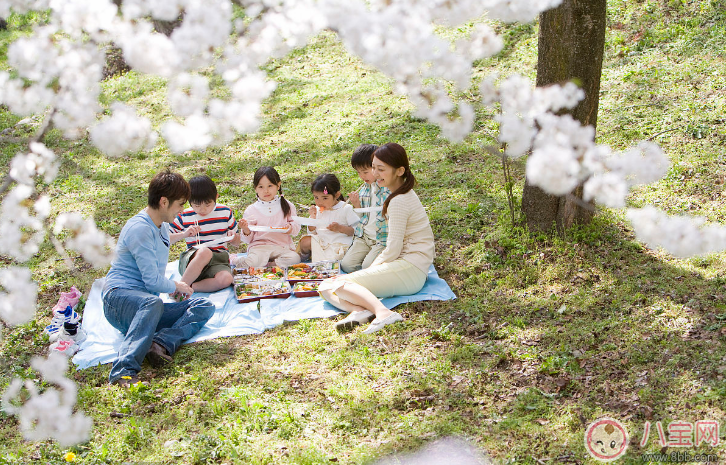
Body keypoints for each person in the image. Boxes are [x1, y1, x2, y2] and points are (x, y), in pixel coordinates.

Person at [102, 171, 215, 388]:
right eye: (180, 204)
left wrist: (183, 235)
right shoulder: (139, 229)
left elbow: (163, 238)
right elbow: (153, 282)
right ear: (164, 202)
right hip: (118, 301)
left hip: (145, 308)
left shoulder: (160, 224)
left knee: (203, 305)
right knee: (152, 301)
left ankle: (159, 344)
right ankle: (123, 371)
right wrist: (177, 285)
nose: (183, 209)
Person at [319, 143, 434, 334]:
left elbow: (393, 248)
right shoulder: (398, 194)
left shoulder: (398, 200)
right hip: (402, 265)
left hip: (411, 268)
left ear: (399, 171)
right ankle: (360, 311)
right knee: (324, 287)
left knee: (340, 284)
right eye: (374, 167)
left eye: (381, 169)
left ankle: (383, 313)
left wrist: (369, 272)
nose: (375, 173)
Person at [169, 175, 240, 293]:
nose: (203, 210)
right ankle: (181, 288)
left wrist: (233, 237)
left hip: (218, 260)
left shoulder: (225, 212)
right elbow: (165, 238)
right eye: (197, 206)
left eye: (207, 205)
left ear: (216, 197)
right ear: (189, 201)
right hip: (193, 260)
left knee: (227, 279)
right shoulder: (184, 215)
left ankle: (189, 287)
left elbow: (237, 243)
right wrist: (184, 234)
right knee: (205, 251)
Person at [233, 166, 301, 268]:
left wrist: (290, 228)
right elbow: (247, 240)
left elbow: (296, 228)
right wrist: (246, 229)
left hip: (281, 246)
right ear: (255, 188)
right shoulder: (251, 210)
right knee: (250, 263)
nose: (266, 191)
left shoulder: (287, 205)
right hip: (259, 247)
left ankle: (269, 265)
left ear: (278, 185)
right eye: (261, 187)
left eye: (270, 186)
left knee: (295, 258)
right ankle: (236, 260)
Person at [340, 144, 390, 273]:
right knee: (346, 265)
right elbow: (364, 217)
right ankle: (370, 274)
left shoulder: (388, 189)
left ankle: (376, 271)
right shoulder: (364, 190)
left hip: (381, 238)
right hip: (364, 237)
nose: (362, 176)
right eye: (358, 172)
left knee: (367, 267)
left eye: (365, 172)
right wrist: (356, 204)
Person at [298, 174, 360, 262]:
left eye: (325, 198)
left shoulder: (345, 208)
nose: (319, 202)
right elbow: (312, 232)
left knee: (332, 257)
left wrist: (340, 228)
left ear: (337, 195)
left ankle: (325, 260)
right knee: (305, 241)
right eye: (316, 197)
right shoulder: (317, 210)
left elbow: (356, 230)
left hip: (339, 244)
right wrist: (312, 217)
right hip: (322, 243)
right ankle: (305, 259)